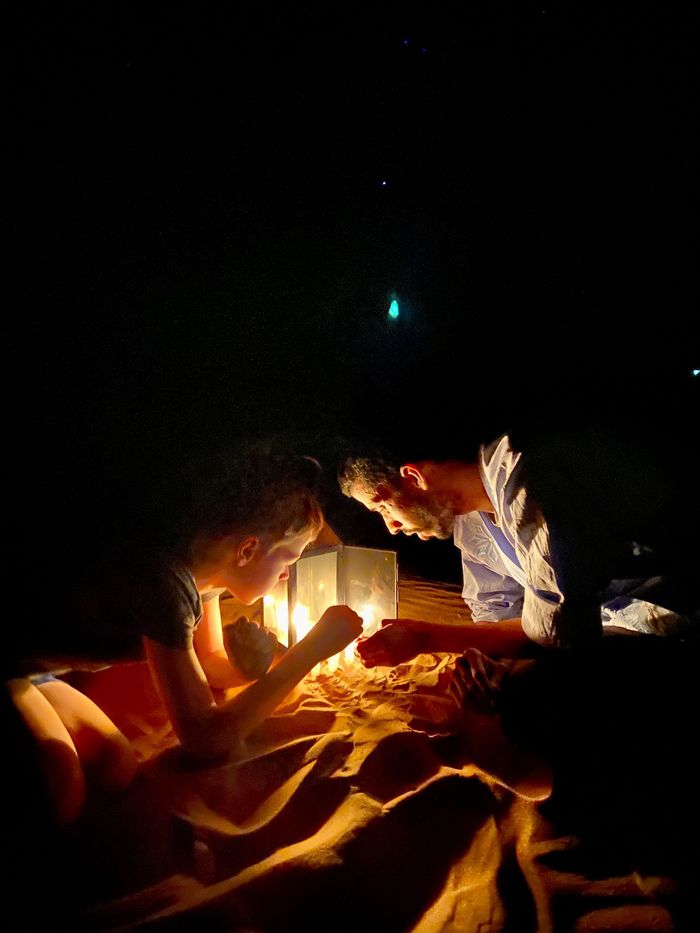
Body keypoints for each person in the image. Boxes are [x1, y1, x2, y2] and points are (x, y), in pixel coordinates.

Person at [5, 450, 363, 827]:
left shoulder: (202, 572)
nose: (287, 575)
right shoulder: (165, 583)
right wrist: (310, 652)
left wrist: (247, 668)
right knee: (64, 787)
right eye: (288, 561)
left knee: (115, 767)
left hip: (39, 671)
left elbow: (209, 664)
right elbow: (203, 738)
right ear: (247, 550)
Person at [338, 425, 698, 669]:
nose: (392, 526)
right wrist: (483, 660)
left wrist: (426, 636)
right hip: (600, 635)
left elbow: (559, 632)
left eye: (383, 506)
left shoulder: (529, 481)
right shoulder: (472, 523)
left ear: (414, 477)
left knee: (526, 705)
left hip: (667, 623)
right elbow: (497, 615)